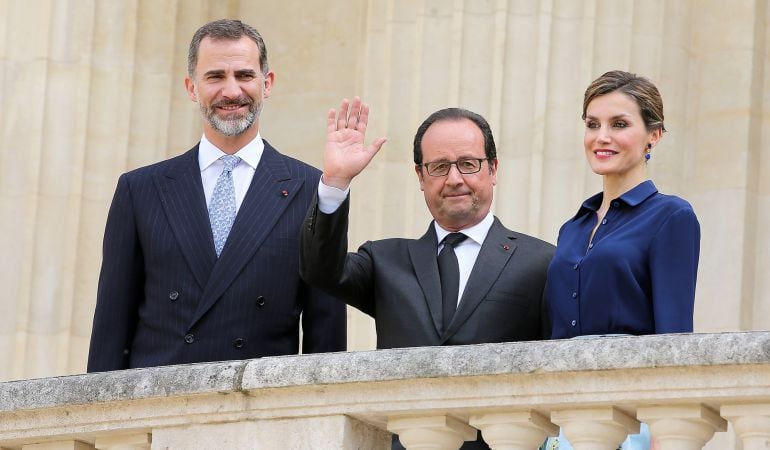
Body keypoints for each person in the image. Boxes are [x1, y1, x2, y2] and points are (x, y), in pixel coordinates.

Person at [86, 19, 346, 372]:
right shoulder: (140, 190)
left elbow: (325, 340)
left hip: (258, 413)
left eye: (244, 75)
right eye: (215, 77)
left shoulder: (310, 189)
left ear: (266, 83)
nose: (231, 91)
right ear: (191, 87)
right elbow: (110, 329)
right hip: (159, 410)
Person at [300, 98, 554, 449]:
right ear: (420, 176)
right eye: (438, 167)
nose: (454, 179)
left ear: (493, 169)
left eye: (468, 164)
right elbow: (320, 270)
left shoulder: (542, 261)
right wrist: (335, 182)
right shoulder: (385, 260)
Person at [543, 71, 700, 449]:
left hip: (629, 416)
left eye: (620, 124)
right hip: (564, 415)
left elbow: (674, 340)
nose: (602, 137)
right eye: (592, 124)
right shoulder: (572, 228)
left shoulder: (671, 217)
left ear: (654, 135)